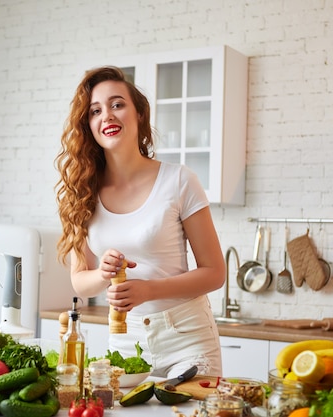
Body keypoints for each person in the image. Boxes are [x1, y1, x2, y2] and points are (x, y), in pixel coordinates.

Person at [54, 66, 226, 378]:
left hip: (187, 338)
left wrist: (149, 290)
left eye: (117, 104)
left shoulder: (179, 180)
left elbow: (215, 273)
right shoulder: (82, 193)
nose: (107, 115)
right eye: (95, 110)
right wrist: (103, 273)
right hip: (124, 340)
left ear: (139, 114)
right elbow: (80, 281)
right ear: (88, 125)